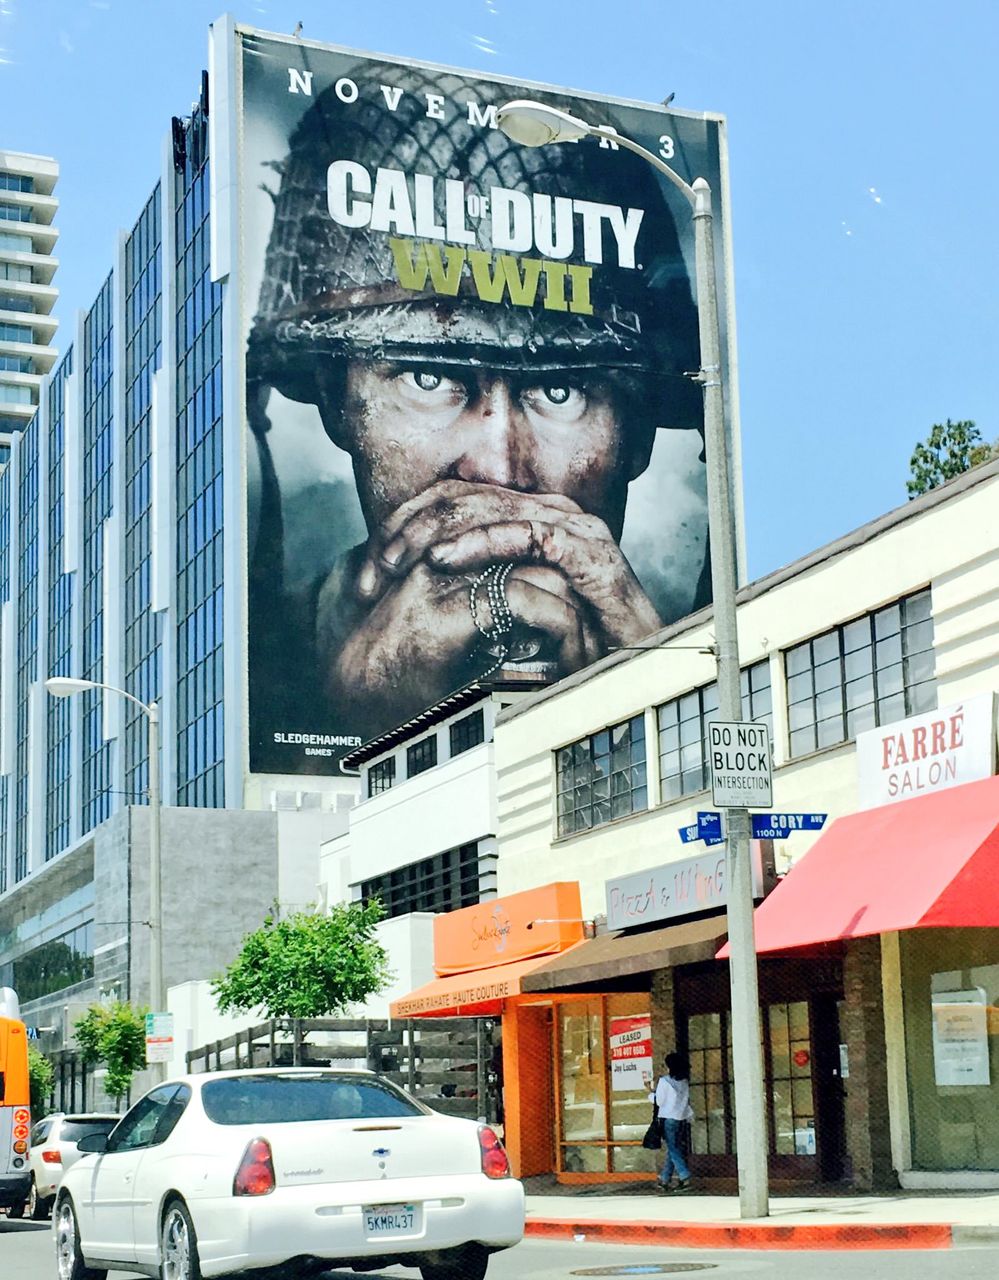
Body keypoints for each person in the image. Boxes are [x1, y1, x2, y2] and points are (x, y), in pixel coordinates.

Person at [247, 62, 707, 756]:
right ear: (337, 401)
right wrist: (353, 729)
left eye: (562, 391)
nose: (498, 469)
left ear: (637, 433)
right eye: (430, 377)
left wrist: (670, 711)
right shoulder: (261, 667)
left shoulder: (701, 642)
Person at [651, 1051, 694, 1192]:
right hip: (681, 1118)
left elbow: (659, 1101)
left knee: (673, 1149)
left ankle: (684, 1175)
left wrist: (650, 1093)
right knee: (672, 1149)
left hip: (668, 1118)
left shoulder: (665, 1081)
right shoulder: (684, 1082)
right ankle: (664, 1179)